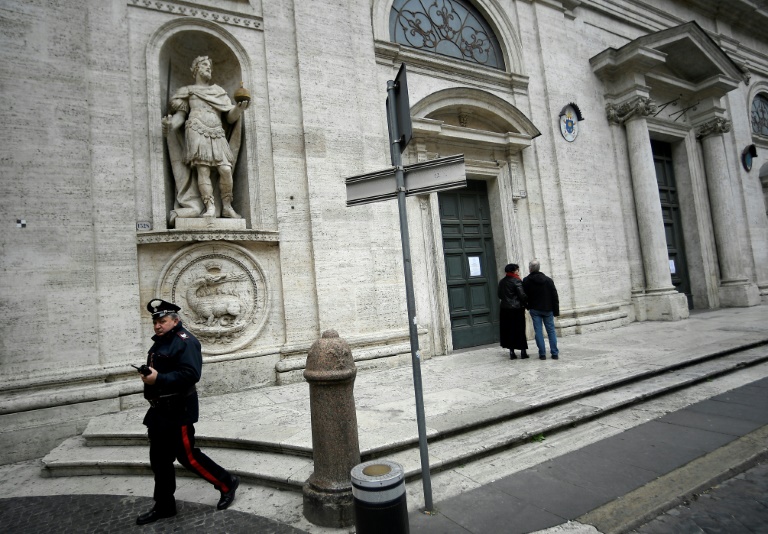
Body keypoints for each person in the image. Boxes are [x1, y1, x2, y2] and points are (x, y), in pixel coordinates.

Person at [136, 299, 239, 525]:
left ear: (175, 320)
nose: (157, 326)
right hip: (159, 412)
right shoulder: (163, 341)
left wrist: (158, 378)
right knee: (159, 461)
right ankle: (164, 505)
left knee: (188, 456)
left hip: (177, 411)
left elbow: (191, 374)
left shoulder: (186, 342)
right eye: (155, 322)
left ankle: (227, 483)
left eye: (162, 321)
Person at [162, 56, 249, 225]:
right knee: (203, 171)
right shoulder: (188, 91)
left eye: (210, 65)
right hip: (196, 131)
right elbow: (179, 117)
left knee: (225, 169)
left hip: (217, 131)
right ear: (195, 69)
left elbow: (230, 118)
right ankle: (209, 206)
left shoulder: (219, 91)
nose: (208, 68)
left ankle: (226, 206)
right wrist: (169, 126)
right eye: (204, 65)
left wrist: (238, 109)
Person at [522, 260, 560, 360]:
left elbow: (524, 296)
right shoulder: (548, 280)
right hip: (548, 308)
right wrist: (556, 311)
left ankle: (542, 354)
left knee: (538, 331)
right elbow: (554, 296)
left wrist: (527, 306)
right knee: (551, 331)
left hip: (535, 309)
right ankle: (554, 353)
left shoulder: (526, 280)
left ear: (530, 269)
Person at [498, 263, 529, 359]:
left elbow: (499, 295)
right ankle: (523, 351)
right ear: (513, 271)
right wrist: (527, 304)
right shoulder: (517, 281)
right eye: (517, 270)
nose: (518, 272)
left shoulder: (502, 282)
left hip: (505, 309)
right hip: (516, 309)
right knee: (520, 330)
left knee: (509, 330)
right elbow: (522, 295)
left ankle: (512, 352)